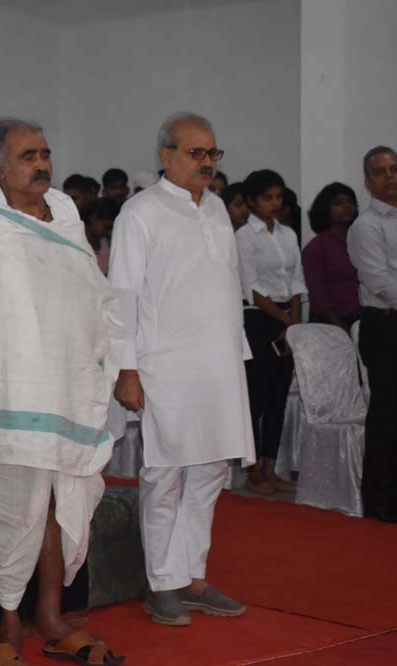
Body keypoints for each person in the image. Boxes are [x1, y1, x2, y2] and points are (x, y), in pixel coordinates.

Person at [0, 118, 125, 666]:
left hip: (66, 385)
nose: (41, 164)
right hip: (11, 392)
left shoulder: (66, 216)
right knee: (15, 506)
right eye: (27, 156)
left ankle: (52, 618)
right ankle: (8, 621)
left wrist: (115, 359)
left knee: (63, 499)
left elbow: (92, 295)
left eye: (45, 153)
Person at [111, 111, 252, 626]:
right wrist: (126, 368)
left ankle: (193, 577)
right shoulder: (140, 212)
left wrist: (237, 355)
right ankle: (161, 583)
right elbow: (123, 297)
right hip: (165, 365)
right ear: (165, 155)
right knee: (165, 474)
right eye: (196, 152)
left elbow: (228, 285)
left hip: (220, 364)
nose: (207, 162)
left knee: (211, 471)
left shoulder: (215, 209)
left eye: (213, 152)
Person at [347, 146, 397, 523]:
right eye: (380, 171)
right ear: (368, 182)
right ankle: (379, 499)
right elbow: (379, 281)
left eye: (395, 169)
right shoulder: (366, 226)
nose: (389, 176)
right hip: (385, 325)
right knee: (387, 413)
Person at [236, 168, 306, 495]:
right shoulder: (244, 236)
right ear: (251, 201)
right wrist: (286, 322)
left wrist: (294, 323)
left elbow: (296, 281)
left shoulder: (288, 234)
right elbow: (250, 288)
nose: (275, 203)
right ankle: (252, 470)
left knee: (279, 396)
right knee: (257, 395)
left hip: (286, 318)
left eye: (278, 197)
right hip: (258, 319)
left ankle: (271, 466)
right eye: (268, 198)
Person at [302, 182, 360, 329]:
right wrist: (340, 326)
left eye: (350, 202)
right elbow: (317, 294)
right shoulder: (316, 247)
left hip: (363, 320)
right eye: (338, 203)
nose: (346, 206)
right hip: (330, 324)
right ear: (325, 209)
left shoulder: (362, 242)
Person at [84, 197, 120, 275]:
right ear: (93, 218)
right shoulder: (78, 242)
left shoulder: (108, 242)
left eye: (112, 228)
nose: (109, 232)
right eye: (106, 227)